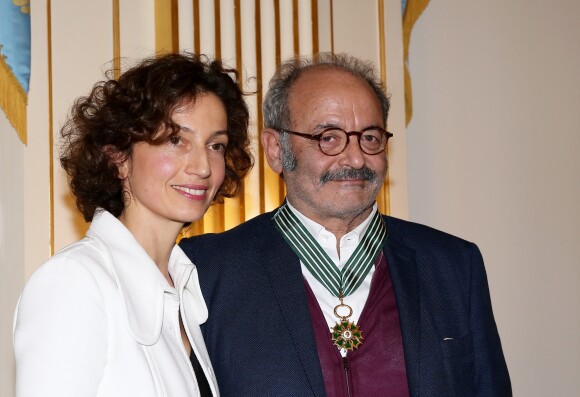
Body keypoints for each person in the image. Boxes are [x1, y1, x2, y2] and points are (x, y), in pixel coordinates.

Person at [180, 52, 511, 397]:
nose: (355, 158)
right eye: (329, 137)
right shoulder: (207, 271)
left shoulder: (452, 265)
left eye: (369, 137)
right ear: (276, 150)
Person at [13, 53, 252, 396]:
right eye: (176, 140)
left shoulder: (187, 288)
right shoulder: (75, 281)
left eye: (215, 145)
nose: (202, 166)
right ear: (119, 156)